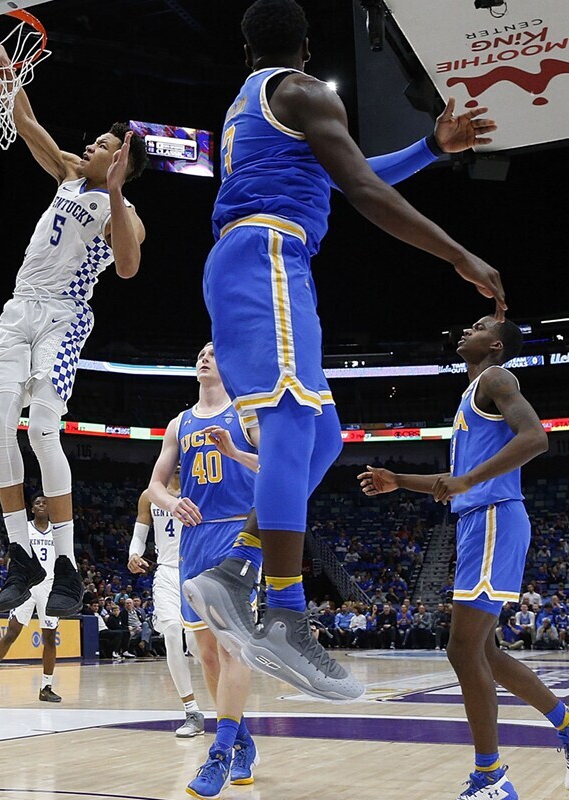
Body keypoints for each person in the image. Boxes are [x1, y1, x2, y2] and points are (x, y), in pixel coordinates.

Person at [182, 0, 505, 703]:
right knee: (295, 423)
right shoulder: (303, 92)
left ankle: (237, 563)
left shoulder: (252, 105)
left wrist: (430, 147)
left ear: (249, 51)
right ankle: (287, 619)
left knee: (321, 435)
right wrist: (459, 255)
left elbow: (343, 167)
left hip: (256, 260)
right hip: (268, 255)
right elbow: (358, 185)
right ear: (304, 48)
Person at [358, 316, 569, 799]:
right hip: (478, 520)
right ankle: (565, 723)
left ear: (494, 345)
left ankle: (491, 778)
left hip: (494, 516)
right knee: (484, 653)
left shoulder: (497, 378)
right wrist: (400, 480)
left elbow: (535, 438)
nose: (463, 330)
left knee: (462, 650)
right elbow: (455, 478)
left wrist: (469, 482)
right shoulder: (471, 394)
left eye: (476, 326)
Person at [0, 43, 149, 620]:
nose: (89, 146)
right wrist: (5, 72)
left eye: (101, 145)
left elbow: (127, 268)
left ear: (120, 160)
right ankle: (20, 554)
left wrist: (120, 189)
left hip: (64, 317)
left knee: (42, 431)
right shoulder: (70, 175)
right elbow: (27, 125)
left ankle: (68, 569)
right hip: (19, 306)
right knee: (0, 421)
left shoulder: (124, 213)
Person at [148, 342, 262, 796]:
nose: (204, 356)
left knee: (233, 649)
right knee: (207, 655)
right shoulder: (180, 422)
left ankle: (218, 753)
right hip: (194, 541)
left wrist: (234, 452)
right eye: (200, 351)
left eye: (214, 352)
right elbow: (154, 486)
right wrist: (173, 501)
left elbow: (275, 468)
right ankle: (242, 743)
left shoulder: (247, 413)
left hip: (238, 537)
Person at [130, 468, 205, 736]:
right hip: (165, 571)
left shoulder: (200, 491)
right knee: (172, 634)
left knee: (198, 644)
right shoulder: (150, 496)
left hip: (196, 571)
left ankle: (226, 699)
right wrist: (134, 553)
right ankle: (192, 711)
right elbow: (141, 531)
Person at [0, 496, 61, 703]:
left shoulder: (57, 531)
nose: (41, 505)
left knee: (49, 639)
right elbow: (14, 557)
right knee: (11, 633)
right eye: (37, 503)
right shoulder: (25, 530)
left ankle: (46, 687)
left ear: (50, 508)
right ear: (32, 508)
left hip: (48, 587)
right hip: (27, 585)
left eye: (45, 503)